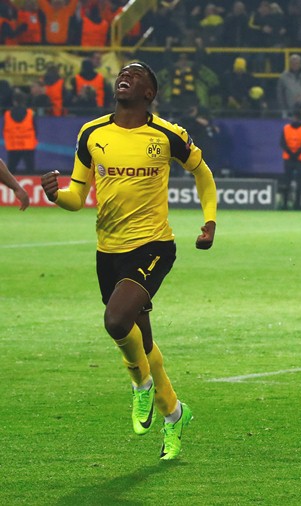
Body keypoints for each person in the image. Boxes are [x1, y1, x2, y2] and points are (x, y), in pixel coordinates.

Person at [39, 61, 217, 461]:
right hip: (109, 250)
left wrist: (209, 222)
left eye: (136, 75)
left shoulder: (168, 135)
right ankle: (174, 416)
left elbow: (203, 175)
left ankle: (140, 387)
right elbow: (76, 197)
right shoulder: (92, 133)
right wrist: (56, 195)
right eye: (123, 72)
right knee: (144, 341)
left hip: (154, 246)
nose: (126, 76)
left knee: (117, 321)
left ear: (149, 93)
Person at [280, 109, 301, 210]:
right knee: (299, 182)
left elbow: (282, 143)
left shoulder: (286, 128)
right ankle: (296, 205)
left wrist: (291, 154)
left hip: (290, 158)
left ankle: (285, 204)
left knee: (287, 181)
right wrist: (296, 154)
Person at [3, 91, 38, 174]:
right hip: (28, 145)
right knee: (30, 168)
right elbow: (35, 129)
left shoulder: (7, 114)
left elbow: (4, 130)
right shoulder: (30, 113)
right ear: (24, 101)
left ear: (14, 101)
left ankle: (8, 185)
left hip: (13, 145)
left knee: (10, 169)